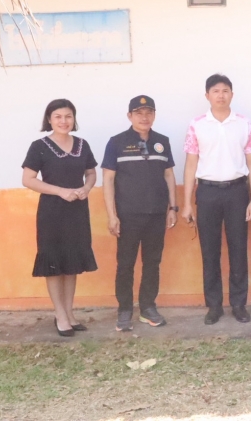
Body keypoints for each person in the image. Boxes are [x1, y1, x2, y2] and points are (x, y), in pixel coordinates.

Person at [182, 74, 251, 325]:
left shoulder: (244, 123)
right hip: (207, 193)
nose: (221, 95)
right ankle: (214, 306)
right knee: (209, 251)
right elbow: (190, 164)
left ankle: (239, 304)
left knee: (238, 250)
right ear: (207, 95)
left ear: (232, 95)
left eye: (225, 91)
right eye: (215, 91)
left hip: (237, 191)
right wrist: (186, 203)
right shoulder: (197, 124)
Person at [22, 99, 98, 337]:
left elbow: (91, 173)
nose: (63, 121)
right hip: (51, 212)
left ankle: (69, 312)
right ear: (49, 119)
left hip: (77, 211)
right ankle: (60, 315)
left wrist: (86, 188)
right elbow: (28, 179)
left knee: (71, 263)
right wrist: (60, 191)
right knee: (54, 264)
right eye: (58, 116)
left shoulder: (82, 144)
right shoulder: (39, 146)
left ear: (74, 119)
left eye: (68, 116)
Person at [101, 96, 178, 332]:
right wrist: (112, 215)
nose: (144, 117)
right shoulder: (117, 142)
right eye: (139, 113)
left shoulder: (162, 141)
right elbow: (108, 180)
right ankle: (124, 310)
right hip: (128, 215)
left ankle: (148, 308)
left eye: (148, 112)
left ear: (154, 115)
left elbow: (168, 175)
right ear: (130, 116)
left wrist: (173, 208)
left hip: (156, 214)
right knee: (125, 264)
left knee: (152, 263)